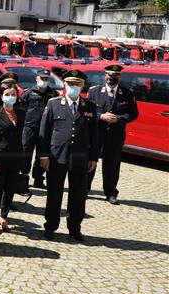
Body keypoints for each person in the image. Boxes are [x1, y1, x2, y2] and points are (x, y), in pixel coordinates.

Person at [38, 69, 98, 241]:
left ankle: (75, 227)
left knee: (78, 195)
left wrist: (93, 157)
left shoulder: (89, 107)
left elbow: (95, 135)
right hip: (57, 157)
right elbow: (44, 131)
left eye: (77, 84)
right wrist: (43, 155)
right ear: (64, 84)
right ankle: (50, 226)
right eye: (70, 84)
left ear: (83, 86)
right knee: (54, 194)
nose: (73, 87)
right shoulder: (53, 103)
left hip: (80, 158)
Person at [86, 64, 138, 205]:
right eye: (109, 75)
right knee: (90, 161)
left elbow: (133, 114)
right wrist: (100, 116)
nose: (111, 78)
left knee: (112, 165)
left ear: (119, 76)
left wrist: (119, 118)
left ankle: (110, 193)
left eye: (115, 76)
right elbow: (86, 111)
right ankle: (84, 188)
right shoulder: (94, 91)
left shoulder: (127, 93)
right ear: (105, 75)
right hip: (96, 133)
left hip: (116, 135)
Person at [0, 81, 27, 235]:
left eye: (13, 94)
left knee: (10, 189)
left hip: (15, 157)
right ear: (1, 96)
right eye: (7, 94)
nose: (10, 97)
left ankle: (4, 216)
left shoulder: (21, 113)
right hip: (0, 157)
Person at [20, 70, 58, 190]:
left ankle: (38, 179)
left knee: (43, 153)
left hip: (46, 130)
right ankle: (23, 179)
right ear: (37, 78)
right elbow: (20, 111)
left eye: (46, 79)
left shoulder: (53, 94)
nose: (44, 81)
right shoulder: (28, 93)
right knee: (26, 153)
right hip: (29, 128)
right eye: (42, 78)